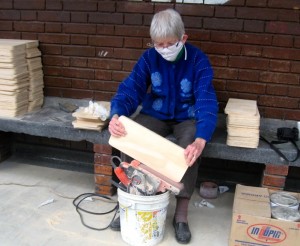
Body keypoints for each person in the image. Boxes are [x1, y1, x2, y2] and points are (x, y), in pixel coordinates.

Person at [108, 8, 218, 244]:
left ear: (183, 39)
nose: (165, 48)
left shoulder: (198, 61)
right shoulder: (149, 58)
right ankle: (127, 201)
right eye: (159, 44)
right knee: (128, 135)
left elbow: (206, 101)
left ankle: (181, 214)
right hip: (155, 114)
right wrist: (116, 115)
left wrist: (201, 138)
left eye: (171, 43)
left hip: (187, 117)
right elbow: (130, 90)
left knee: (188, 147)